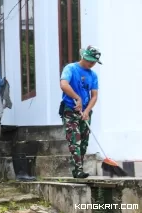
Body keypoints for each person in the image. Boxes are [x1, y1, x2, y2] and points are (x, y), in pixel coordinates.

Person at [59, 45, 100, 179]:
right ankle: (78, 170)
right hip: (70, 110)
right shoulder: (70, 68)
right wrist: (77, 98)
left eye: (94, 62)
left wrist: (87, 111)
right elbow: (64, 85)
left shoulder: (93, 75)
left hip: (85, 112)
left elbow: (94, 95)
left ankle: (79, 167)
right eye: (90, 61)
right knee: (74, 140)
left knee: (83, 142)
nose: (92, 64)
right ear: (84, 57)